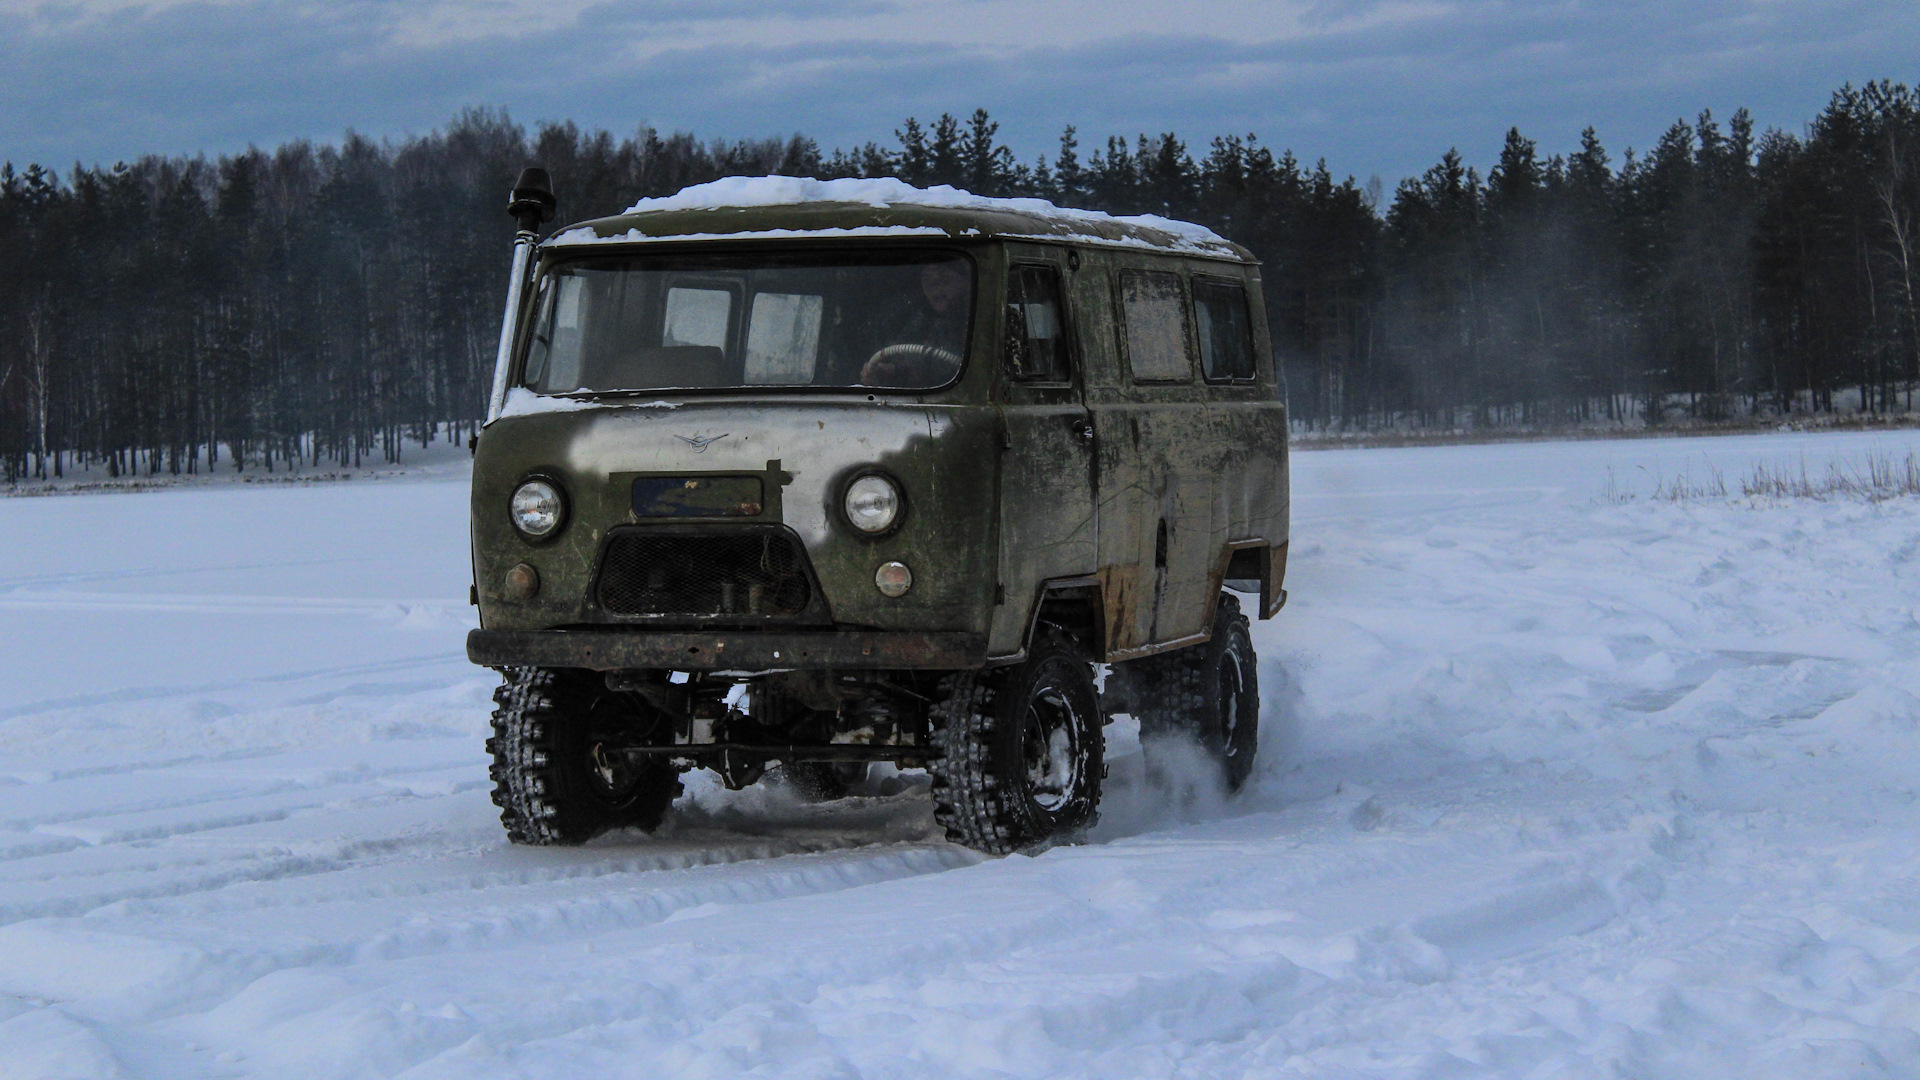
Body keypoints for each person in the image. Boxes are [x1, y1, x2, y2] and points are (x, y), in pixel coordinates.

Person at [859, 260, 969, 386]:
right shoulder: (920, 321)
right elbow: (914, 367)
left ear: (966, 282)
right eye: (927, 279)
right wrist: (888, 373)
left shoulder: (977, 322)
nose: (934, 286)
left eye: (944, 278)